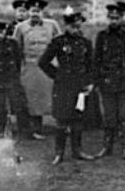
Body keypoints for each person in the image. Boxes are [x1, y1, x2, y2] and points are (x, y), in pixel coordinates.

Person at [38, 9, 95, 164]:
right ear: (66, 26)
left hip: (80, 86)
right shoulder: (58, 42)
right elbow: (43, 62)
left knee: (78, 119)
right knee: (62, 120)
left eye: (78, 27)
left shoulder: (86, 43)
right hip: (63, 86)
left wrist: (89, 82)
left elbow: (90, 65)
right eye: (73, 27)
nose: (76, 30)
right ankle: (59, 153)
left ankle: (77, 151)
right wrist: (57, 75)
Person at [93, 2, 125, 159]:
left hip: (124, 82)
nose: (114, 21)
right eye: (111, 18)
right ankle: (107, 147)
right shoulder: (102, 36)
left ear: (122, 18)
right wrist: (97, 81)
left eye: (117, 18)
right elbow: (97, 60)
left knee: (124, 116)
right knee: (109, 116)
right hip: (107, 81)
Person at [13, 0, 60, 137]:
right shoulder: (20, 27)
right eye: (33, 11)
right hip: (30, 67)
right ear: (28, 12)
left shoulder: (52, 25)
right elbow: (16, 49)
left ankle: (61, 126)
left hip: (48, 68)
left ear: (42, 12)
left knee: (52, 96)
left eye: (38, 11)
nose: (35, 14)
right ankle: (35, 129)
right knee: (32, 99)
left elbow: (60, 43)